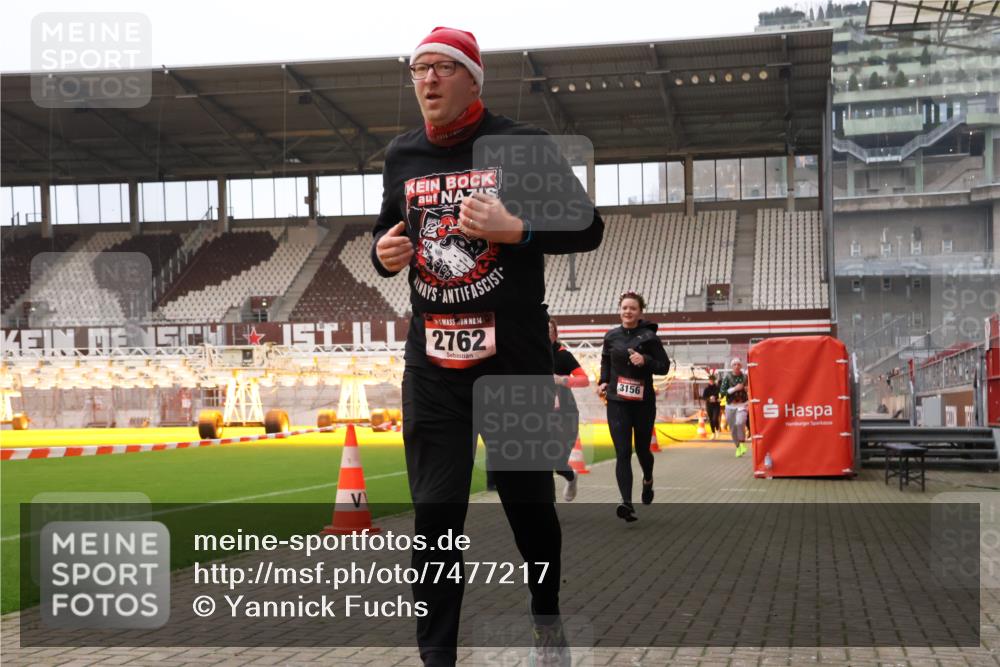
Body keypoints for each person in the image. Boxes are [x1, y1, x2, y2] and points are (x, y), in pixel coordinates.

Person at [371, 27, 604, 667]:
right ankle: (437, 656)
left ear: (473, 78)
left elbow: (588, 228)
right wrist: (383, 254)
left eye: (443, 67)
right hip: (433, 366)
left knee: (528, 510)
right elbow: (387, 234)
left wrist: (518, 228)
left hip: (513, 364)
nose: (428, 79)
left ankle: (545, 618)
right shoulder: (402, 155)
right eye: (419, 68)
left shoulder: (521, 146)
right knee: (435, 521)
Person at [597, 291, 670, 522]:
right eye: (624, 308)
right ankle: (626, 503)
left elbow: (664, 366)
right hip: (617, 402)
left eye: (633, 308)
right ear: (620, 310)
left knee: (642, 450)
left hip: (643, 403)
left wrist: (645, 360)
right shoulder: (611, 337)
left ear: (640, 312)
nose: (628, 311)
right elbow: (606, 362)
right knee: (622, 452)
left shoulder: (649, 337)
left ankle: (647, 479)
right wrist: (603, 382)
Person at [549, 318, 589, 501]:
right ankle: (548, 506)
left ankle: (571, 477)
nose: (545, 333)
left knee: (558, 463)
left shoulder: (563, 355)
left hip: (566, 415)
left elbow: (584, 380)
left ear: (555, 334)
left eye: (549, 330)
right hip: (539, 416)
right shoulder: (531, 355)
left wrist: (562, 380)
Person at [719, 358, 750, 457]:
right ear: (732, 366)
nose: (736, 366)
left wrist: (746, 389)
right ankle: (738, 447)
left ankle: (742, 443)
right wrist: (734, 389)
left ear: (741, 366)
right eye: (734, 364)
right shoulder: (727, 378)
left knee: (740, 422)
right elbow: (722, 392)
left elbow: (752, 389)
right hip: (730, 406)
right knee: (733, 428)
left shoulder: (745, 377)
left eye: (738, 364)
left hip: (742, 405)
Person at [702, 373, 721, 439]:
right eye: (710, 380)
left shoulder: (718, 388)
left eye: (712, 380)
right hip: (709, 406)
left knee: (715, 419)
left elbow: (721, 395)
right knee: (711, 419)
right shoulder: (706, 389)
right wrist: (709, 398)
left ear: (714, 380)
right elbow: (704, 397)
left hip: (716, 405)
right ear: (709, 381)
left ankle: (717, 429)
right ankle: (713, 433)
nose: (711, 381)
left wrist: (717, 398)